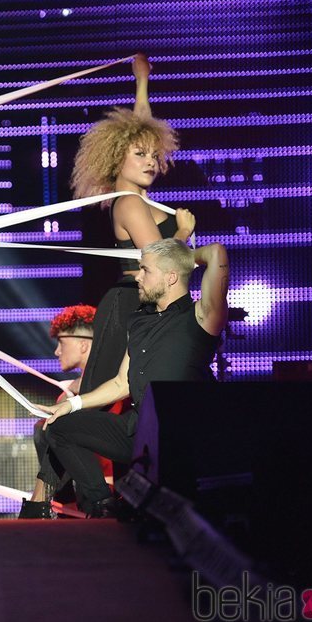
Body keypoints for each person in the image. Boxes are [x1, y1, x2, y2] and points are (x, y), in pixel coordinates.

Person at [34, 239, 229, 517]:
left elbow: (217, 252)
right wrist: (72, 404)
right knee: (59, 427)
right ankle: (103, 505)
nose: (137, 276)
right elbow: (120, 383)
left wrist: (183, 258)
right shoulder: (139, 321)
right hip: (136, 431)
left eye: (145, 270)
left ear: (171, 276)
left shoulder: (201, 316)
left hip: (177, 435)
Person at [70, 54, 196, 399]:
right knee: (107, 399)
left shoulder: (137, 197)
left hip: (148, 304)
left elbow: (141, 130)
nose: (151, 162)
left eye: (154, 156)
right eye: (140, 156)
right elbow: (161, 260)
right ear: (117, 159)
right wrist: (183, 231)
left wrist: (141, 81)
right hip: (130, 304)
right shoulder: (129, 202)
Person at [19, 304, 95, 519]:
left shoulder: (102, 387)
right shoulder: (71, 392)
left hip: (100, 491)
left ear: (83, 344)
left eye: (61, 343)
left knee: (57, 428)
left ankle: (39, 503)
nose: (56, 351)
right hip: (73, 499)